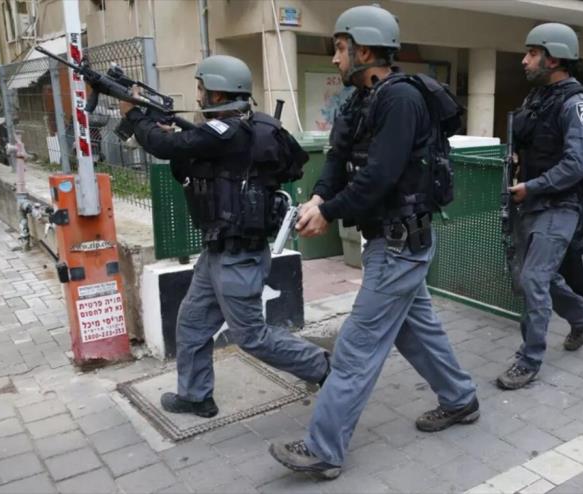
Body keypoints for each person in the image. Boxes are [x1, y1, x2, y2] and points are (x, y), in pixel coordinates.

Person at [268, 5, 478, 480]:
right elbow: (339, 159)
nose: (336, 59)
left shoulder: (401, 100)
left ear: (364, 50)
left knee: (357, 347)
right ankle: (460, 398)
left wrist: (329, 210)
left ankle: (324, 449)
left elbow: (381, 175)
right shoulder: (359, 101)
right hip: (387, 242)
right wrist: (320, 196)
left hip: (401, 243)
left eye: (341, 49)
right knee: (415, 329)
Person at [119, 55, 330, 418]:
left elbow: (169, 148)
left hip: (239, 256)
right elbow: (190, 154)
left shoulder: (229, 130)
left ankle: (325, 368)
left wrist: (134, 114)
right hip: (219, 252)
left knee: (251, 336)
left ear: (217, 93)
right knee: (192, 322)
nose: (197, 94)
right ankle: (196, 395)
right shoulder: (229, 131)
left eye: (201, 88)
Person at [497, 23, 583, 391]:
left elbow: (578, 164)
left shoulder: (578, 105)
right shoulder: (538, 98)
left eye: (532, 53)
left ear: (554, 57)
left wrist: (533, 187)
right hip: (530, 202)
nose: (524, 60)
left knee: (533, 279)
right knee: (529, 276)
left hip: (559, 205)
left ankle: (529, 359)